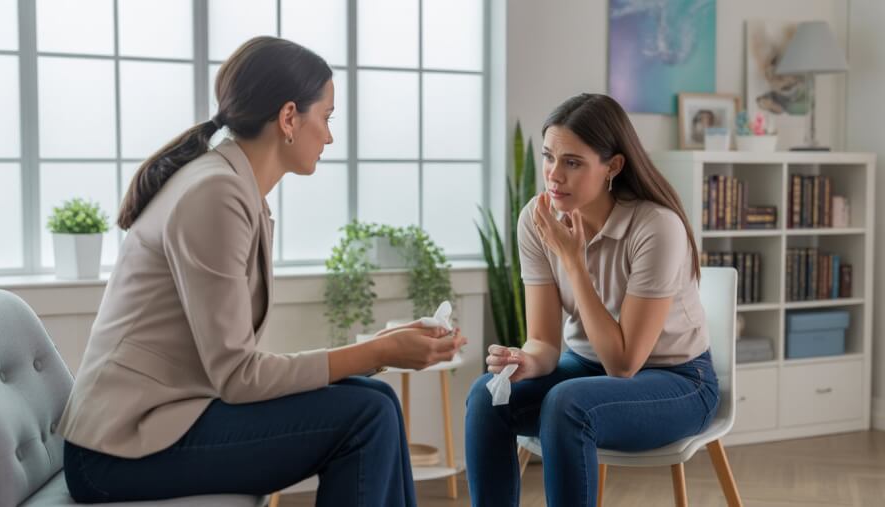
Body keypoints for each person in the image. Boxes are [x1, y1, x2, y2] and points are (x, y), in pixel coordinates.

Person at [58, 36, 465, 507]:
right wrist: (379, 349)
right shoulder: (215, 194)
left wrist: (379, 352)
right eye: (327, 117)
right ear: (289, 117)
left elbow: (234, 367)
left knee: (378, 402)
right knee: (366, 414)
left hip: (159, 425)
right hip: (116, 452)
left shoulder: (229, 187)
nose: (330, 136)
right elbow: (238, 375)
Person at [464, 93, 719, 507]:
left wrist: (573, 261)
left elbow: (623, 363)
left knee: (568, 405)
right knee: (488, 394)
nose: (553, 175)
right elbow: (545, 343)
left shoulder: (656, 227)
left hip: (679, 381)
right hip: (583, 367)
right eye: (548, 156)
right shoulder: (536, 218)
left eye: (573, 162)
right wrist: (527, 360)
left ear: (613, 167)